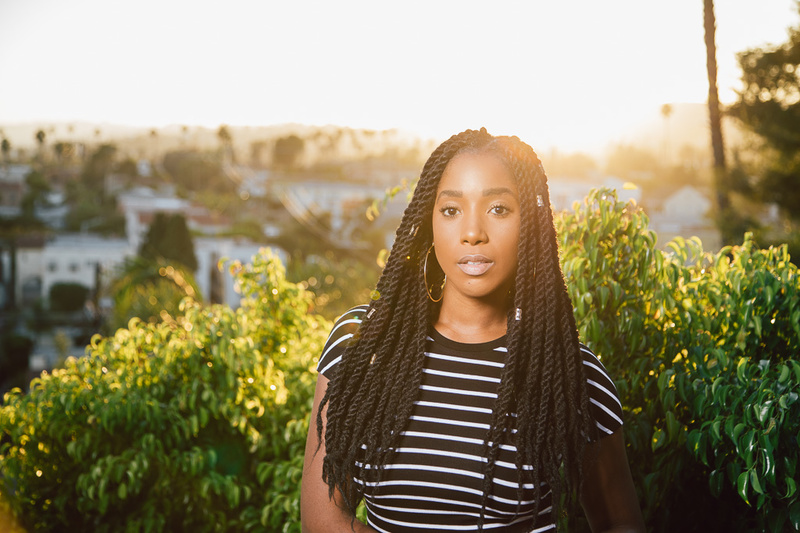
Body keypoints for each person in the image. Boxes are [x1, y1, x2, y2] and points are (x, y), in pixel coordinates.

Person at [301, 128, 645, 532]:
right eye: (451, 210)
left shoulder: (571, 374)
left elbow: (620, 524)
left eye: (498, 209)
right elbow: (321, 517)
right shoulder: (361, 345)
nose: (472, 232)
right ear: (429, 223)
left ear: (529, 224)